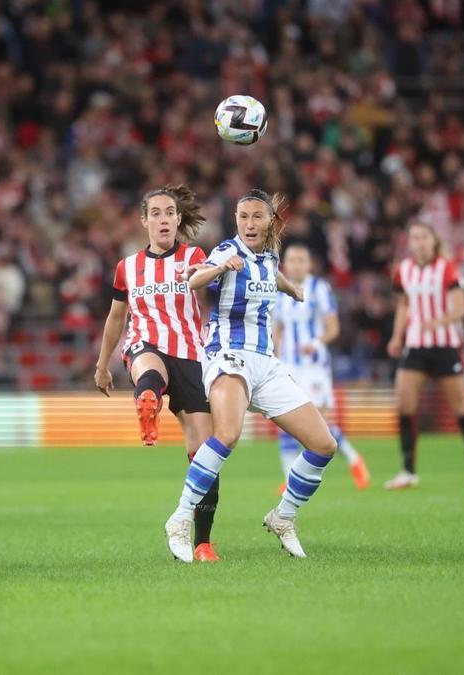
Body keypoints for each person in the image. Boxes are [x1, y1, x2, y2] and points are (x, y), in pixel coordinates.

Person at [163, 189, 337, 562]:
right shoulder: (228, 251)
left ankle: (283, 516)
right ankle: (179, 519)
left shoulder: (269, 257)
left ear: (270, 221)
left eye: (257, 216)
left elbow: (270, 275)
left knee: (324, 445)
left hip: (266, 363)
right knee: (226, 435)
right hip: (228, 355)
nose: (249, 224)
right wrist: (218, 268)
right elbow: (194, 282)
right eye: (243, 216)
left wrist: (292, 289)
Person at [94, 185, 222, 562]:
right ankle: (147, 401)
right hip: (144, 345)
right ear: (144, 220)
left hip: (190, 355)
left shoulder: (193, 256)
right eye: (156, 213)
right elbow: (117, 317)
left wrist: (213, 269)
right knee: (149, 368)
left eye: (170, 212)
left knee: (205, 455)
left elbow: (204, 279)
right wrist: (103, 365)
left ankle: (202, 542)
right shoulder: (127, 267)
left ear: (178, 219)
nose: (164, 219)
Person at [385, 222, 464, 491]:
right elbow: (403, 305)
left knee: (460, 409)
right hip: (416, 345)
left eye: (424, 237)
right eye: (415, 237)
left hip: (446, 346)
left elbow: (460, 308)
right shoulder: (404, 270)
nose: (419, 242)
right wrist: (397, 337)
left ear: (433, 241)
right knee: (405, 405)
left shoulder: (447, 268)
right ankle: (408, 471)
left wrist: (439, 322)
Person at [273, 242, 370, 491]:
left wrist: (316, 343)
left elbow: (333, 328)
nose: (295, 264)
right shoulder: (279, 289)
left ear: (309, 264)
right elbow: (278, 328)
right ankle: (289, 479)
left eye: (300, 260)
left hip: (314, 367)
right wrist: (274, 351)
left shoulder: (319, 289)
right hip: (289, 367)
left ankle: (354, 459)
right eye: (291, 260)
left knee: (320, 424)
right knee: (285, 420)